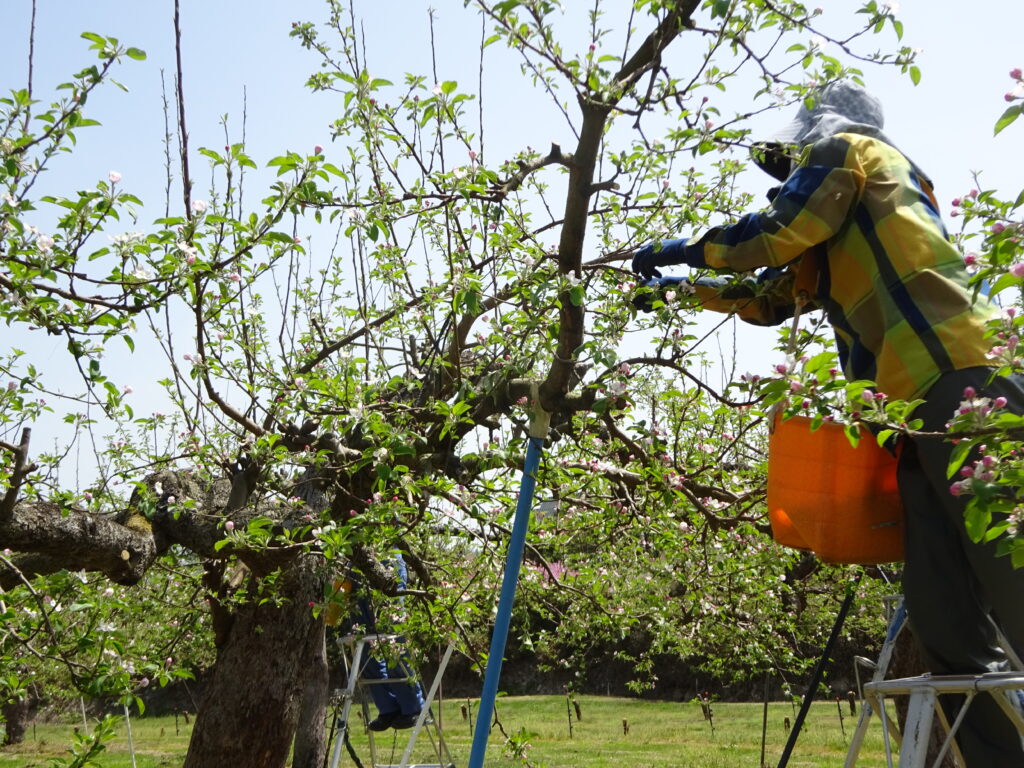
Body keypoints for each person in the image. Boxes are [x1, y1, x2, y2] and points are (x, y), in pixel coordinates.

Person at [632, 80, 1024, 766]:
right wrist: (677, 289)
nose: (788, 175)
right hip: (911, 416)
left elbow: (776, 231)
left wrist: (688, 246)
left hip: (967, 384)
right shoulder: (841, 217)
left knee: (1014, 576)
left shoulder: (852, 152)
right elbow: (769, 296)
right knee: (946, 620)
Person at [329, 555, 425, 731]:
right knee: (363, 641)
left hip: (387, 564)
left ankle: (413, 707)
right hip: (357, 565)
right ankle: (388, 708)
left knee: (394, 640)